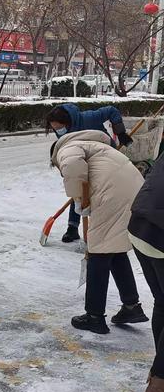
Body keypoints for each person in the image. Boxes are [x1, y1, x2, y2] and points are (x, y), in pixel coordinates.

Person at [50, 129, 148, 334]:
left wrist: (78, 198)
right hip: (136, 191)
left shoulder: (66, 148)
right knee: (114, 248)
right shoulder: (96, 146)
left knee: (98, 254)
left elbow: (72, 167)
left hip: (112, 196)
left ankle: (94, 316)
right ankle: (131, 306)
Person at [46, 104, 133, 243]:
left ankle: (100, 232)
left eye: (60, 128)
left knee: (99, 196)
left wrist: (120, 132)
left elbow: (111, 110)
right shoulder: (63, 132)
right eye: (55, 129)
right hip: (81, 158)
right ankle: (72, 228)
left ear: (68, 121)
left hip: (104, 157)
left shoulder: (88, 118)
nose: (58, 132)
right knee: (78, 193)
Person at [128, 154, 164, 392]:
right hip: (160, 233)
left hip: (140, 227)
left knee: (163, 302)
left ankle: (158, 369)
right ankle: (159, 388)